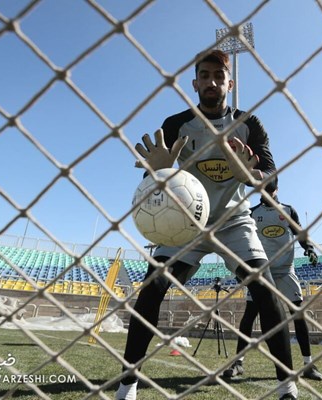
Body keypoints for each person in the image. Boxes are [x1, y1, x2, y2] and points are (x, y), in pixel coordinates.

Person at [116, 50, 298, 400]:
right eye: (205, 75)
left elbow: (271, 181)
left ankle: (287, 387)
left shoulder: (249, 124)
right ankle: (128, 385)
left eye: (219, 76)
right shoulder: (176, 124)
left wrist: (249, 173)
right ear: (195, 82)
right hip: (186, 224)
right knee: (152, 289)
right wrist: (160, 170)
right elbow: (154, 180)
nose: (212, 82)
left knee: (265, 290)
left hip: (234, 220)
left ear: (230, 83)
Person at [223, 178, 322, 382]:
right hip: (261, 272)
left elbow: (300, 234)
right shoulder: (253, 213)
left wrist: (310, 249)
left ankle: (308, 364)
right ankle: (238, 363)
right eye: (263, 190)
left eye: (271, 189)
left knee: (298, 314)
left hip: (286, 271)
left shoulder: (288, 211)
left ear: (277, 189)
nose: (267, 193)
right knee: (249, 316)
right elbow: (243, 237)